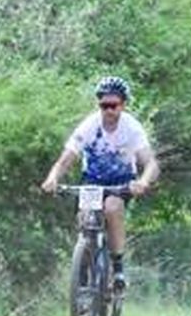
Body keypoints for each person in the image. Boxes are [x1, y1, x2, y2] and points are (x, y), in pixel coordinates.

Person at [40, 75, 158, 289]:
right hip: (92, 181)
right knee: (85, 218)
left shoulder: (132, 128)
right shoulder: (89, 125)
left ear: (123, 105)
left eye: (114, 105)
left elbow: (150, 163)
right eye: (104, 105)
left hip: (121, 182)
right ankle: (83, 274)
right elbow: (67, 158)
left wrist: (143, 181)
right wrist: (53, 177)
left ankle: (118, 268)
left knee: (113, 208)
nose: (109, 110)